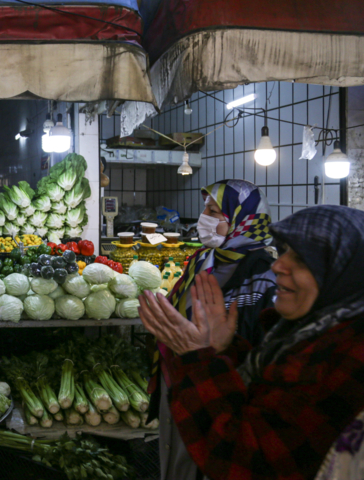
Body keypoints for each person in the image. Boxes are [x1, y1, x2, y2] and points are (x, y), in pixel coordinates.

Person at [139, 205, 364, 480]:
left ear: (345, 272)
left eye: (302, 259)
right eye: (284, 251)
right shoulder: (303, 333)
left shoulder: (349, 358)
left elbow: (249, 461)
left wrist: (196, 359)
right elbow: (263, 399)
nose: (278, 265)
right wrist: (224, 350)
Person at [150, 179, 278, 480]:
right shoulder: (202, 259)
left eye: (214, 211)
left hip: (221, 390)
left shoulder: (263, 274)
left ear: (242, 218)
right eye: (205, 208)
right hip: (182, 380)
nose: (203, 218)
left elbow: (260, 344)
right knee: (175, 460)